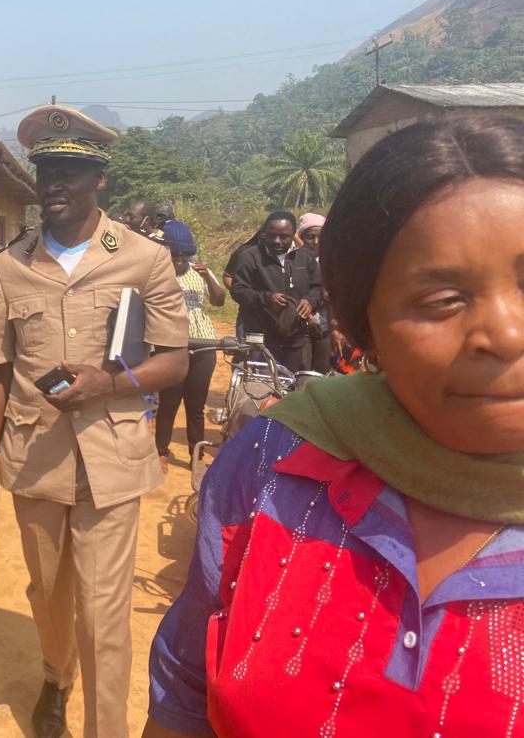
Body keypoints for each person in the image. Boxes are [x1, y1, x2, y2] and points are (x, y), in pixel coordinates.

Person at [143, 114, 524, 737]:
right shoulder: (276, 463)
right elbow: (186, 688)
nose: (505, 335)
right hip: (270, 345)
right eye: (440, 301)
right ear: (366, 319)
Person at [0, 104, 189, 738]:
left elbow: (174, 361)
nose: (54, 185)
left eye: (69, 171)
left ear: (99, 181)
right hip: (34, 458)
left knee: (103, 614)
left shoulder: (144, 259)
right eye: (45, 171)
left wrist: (110, 383)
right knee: (48, 596)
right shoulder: (8, 267)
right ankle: (54, 672)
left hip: (112, 462)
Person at [154, 221, 225, 466]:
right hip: (172, 344)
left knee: (195, 405)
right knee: (169, 402)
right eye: (175, 254)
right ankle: (161, 451)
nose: (180, 258)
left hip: (204, 343)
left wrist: (209, 278)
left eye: (184, 253)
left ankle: (196, 455)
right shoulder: (157, 272)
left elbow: (219, 301)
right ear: (167, 253)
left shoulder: (200, 270)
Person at [228, 212, 321, 372]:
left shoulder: (304, 257)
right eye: (272, 236)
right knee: (262, 385)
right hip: (260, 338)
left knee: (290, 385)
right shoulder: (250, 257)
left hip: (294, 338)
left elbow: (318, 286)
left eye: (284, 236)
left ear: (294, 235)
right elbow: (238, 290)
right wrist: (266, 298)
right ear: (265, 233)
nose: (277, 241)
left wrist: (310, 301)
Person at [297, 212, 333, 373]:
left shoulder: (331, 260)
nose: (316, 242)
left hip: (325, 328)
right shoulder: (293, 260)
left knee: (322, 374)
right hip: (300, 327)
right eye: (311, 237)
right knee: (303, 374)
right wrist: (310, 317)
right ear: (303, 237)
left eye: (320, 237)